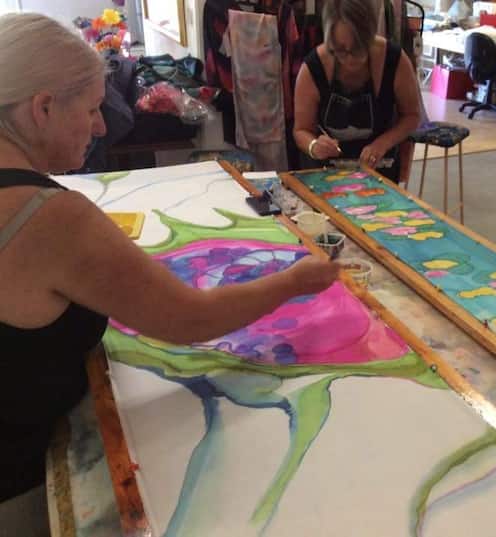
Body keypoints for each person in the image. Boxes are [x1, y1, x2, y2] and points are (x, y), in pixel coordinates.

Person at [0, 13, 339, 503]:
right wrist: (296, 280)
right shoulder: (52, 218)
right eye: (92, 109)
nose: (101, 126)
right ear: (43, 107)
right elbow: (189, 319)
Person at [293, 0, 421, 182]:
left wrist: (382, 143)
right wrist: (313, 145)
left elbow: (412, 116)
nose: (349, 59)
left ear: (369, 36)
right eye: (340, 50)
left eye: (357, 48)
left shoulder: (394, 60)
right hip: (324, 177)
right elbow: (301, 130)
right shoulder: (314, 67)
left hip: (379, 171)